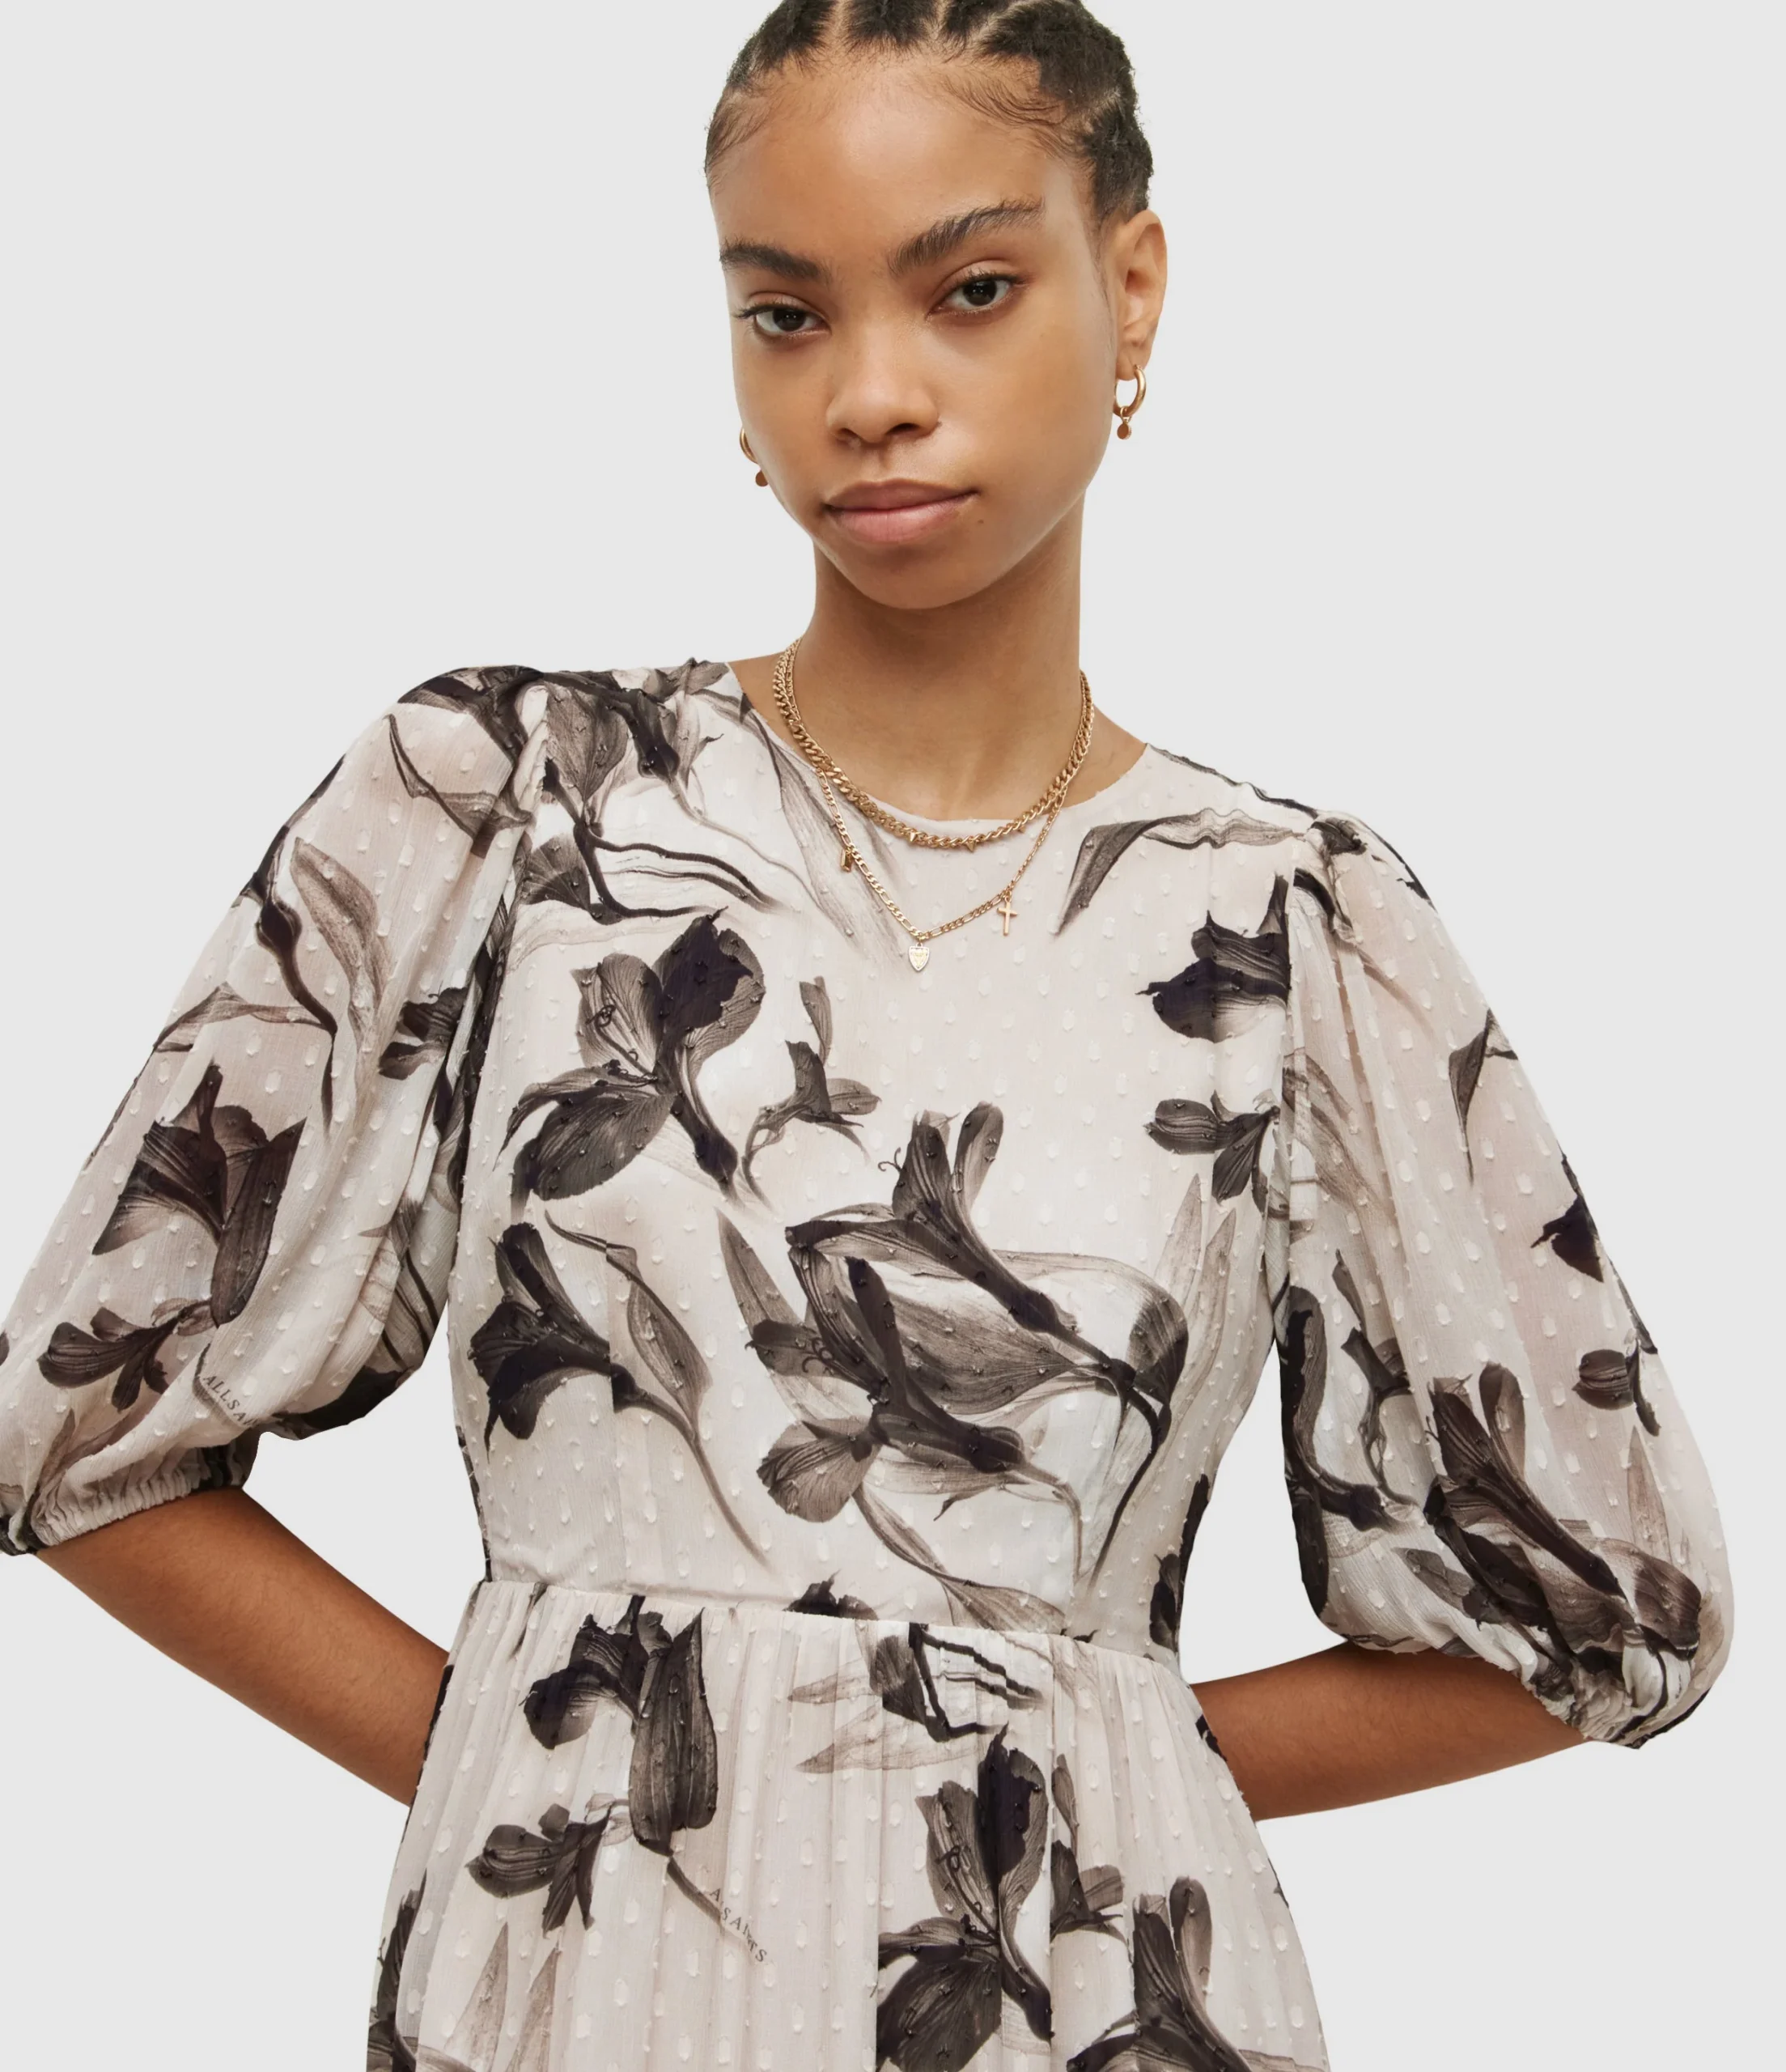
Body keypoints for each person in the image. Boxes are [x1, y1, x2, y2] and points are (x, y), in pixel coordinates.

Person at [0, 4, 1735, 2068]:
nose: (872, 393)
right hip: (569, 1993)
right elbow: (82, 1431)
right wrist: (570, 1766)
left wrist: (1081, 1746)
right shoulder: (514, 808)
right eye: (786, 314)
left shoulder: (1291, 926)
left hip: (1076, 1998)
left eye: (969, 289)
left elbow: (1607, 1608)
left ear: (1131, 291)